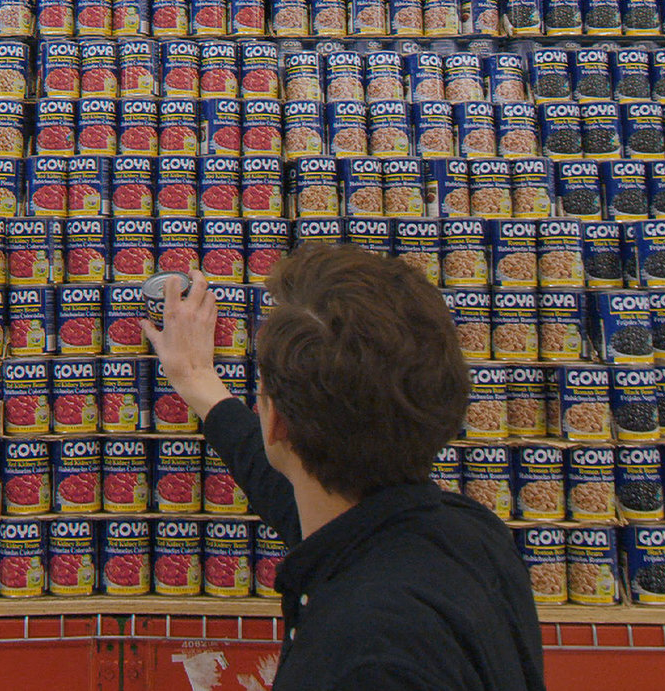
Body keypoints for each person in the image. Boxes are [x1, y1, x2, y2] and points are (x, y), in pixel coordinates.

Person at [143, 244, 546, 691]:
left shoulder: (365, 658)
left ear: (274, 421)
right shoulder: (470, 534)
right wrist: (199, 382)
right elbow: (293, 495)